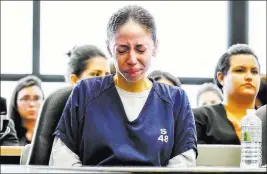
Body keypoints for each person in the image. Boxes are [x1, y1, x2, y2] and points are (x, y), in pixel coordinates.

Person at [50, 5, 197, 167]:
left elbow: (183, 163)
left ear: (155, 47)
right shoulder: (85, 92)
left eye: (141, 49)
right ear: (109, 48)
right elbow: (62, 158)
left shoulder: (176, 100)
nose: (132, 59)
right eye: (122, 50)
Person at [193, 44, 261, 144]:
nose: (249, 76)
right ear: (221, 78)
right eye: (240, 70)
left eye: (254, 72)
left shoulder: (264, 117)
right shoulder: (200, 117)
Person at [9, 75, 44, 145]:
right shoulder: (6, 134)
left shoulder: (53, 134)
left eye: (36, 98)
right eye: (25, 98)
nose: (32, 104)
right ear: (15, 103)